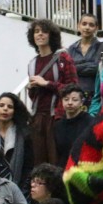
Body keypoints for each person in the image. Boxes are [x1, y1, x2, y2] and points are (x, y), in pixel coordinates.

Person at [25, 19, 77, 167]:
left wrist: (47, 83)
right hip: (38, 118)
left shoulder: (63, 57)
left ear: (51, 35)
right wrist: (32, 89)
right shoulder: (32, 63)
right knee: (38, 161)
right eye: (36, 31)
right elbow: (34, 97)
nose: (40, 34)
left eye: (44, 31)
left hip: (57, 116)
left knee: (56, 161)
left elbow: (73, 89)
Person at [66, 13, 103, 102]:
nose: (87, 27)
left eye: (91, 25)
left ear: (96, 28)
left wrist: (75, 67)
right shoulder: (71, 48)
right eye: (84, 24)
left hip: (95, 96)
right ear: (78, 26)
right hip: (74, 97)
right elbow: (67, 71)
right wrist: (88, 65)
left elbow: (97, 68)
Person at [54, 84, 94, 164]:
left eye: (74, 100)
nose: (70, 103)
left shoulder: (90, 122)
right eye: (66, 99)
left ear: (81, 102)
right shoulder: (58, 125)